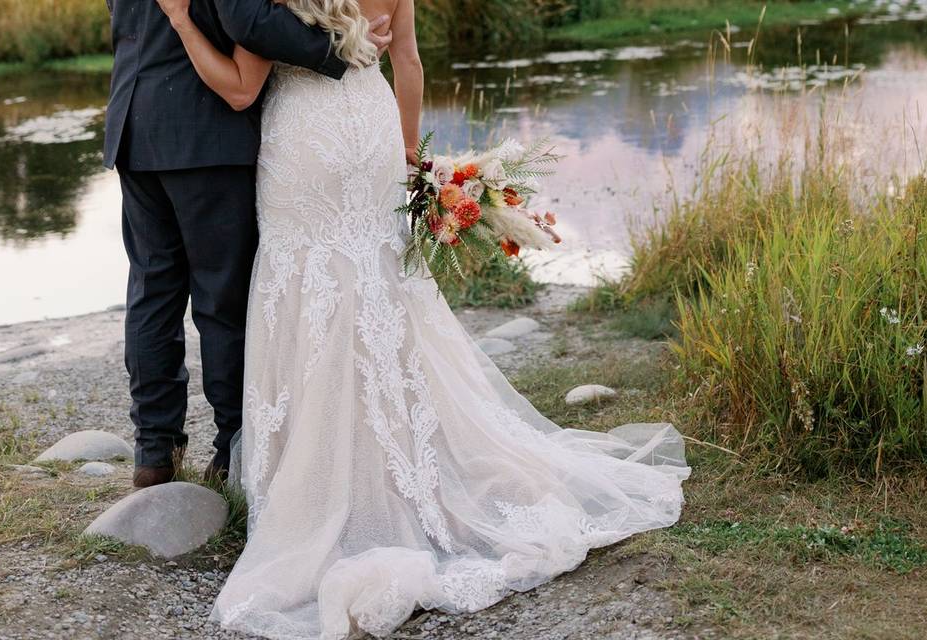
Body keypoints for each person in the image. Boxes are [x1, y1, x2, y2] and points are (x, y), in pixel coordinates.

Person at [155, 0, 690, 636]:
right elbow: (408, 61)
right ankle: (408, 459)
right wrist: (409, 156)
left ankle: (326, 476)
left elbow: (242, 88)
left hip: (305, 139)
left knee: (308, 281)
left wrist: (183, 20)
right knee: (382, 281)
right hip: (371, 125)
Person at [103, 0, 391, 488]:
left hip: (137, 124)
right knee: (223, 299)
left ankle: (153, 451)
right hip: (205, 131)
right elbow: (246, 17)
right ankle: (232, 449)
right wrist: (338, 47)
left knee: (152, 293)